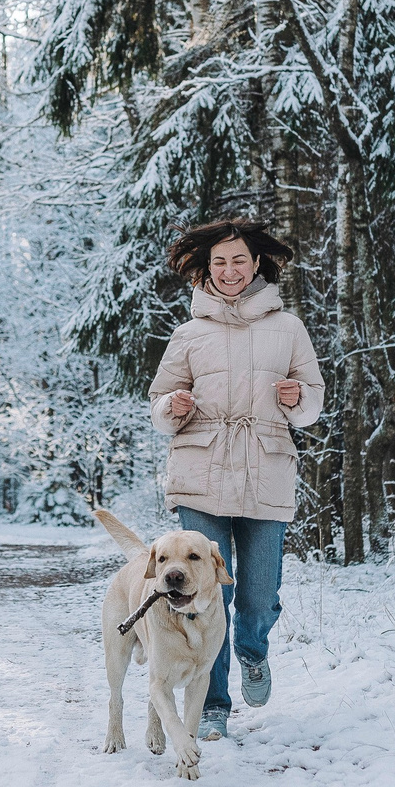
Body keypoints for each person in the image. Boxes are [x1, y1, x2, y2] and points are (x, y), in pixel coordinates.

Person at [146, 218, 325, 743]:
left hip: (265, 470)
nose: (229, 270)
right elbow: (159, 403)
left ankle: (253, 649)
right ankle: (213, 704)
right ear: (207, 268)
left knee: (259, 594)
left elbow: (313, 399)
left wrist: (299, 400)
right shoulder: (189, 334)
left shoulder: (288, 327)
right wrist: (170, 407)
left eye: (239, 260)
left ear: (257, 264)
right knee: (207, 595)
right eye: (220, 262)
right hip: (201, 471)